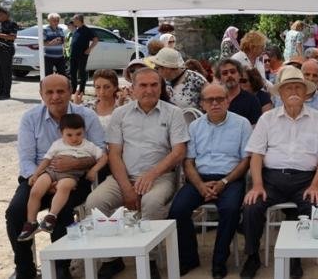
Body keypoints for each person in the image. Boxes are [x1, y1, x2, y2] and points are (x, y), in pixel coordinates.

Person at [85, 67, 189, 279]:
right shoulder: (120, 114)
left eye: (154, 85)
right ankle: (111, 259)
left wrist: (151, 175)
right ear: (132, 88)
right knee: (95, 202)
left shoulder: (173, 113)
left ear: (161, 87)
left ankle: (149, 259)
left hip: (160, 177)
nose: (149, 90)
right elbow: (114, 154)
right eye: (143, 85)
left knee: (151, 203)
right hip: (124, 176)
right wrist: (126, 188)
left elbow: (179, 151)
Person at [6, 74, 105, 279]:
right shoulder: (30, 118)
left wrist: (76, 164)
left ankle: (61, 268)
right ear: (41, 94)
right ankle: (25, 269)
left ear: (70, 92)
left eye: (60, 91)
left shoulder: (87, 116)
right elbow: (26, 159)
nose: (55, 97)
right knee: (15, 212)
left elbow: (101, 152)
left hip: (75, 179)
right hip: (39, 177)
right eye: (49, 92)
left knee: (63, 211)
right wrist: (44, 178)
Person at [241, 66, 318, 279]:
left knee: (316, 206)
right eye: (288, 88)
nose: (293, 91)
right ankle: (252, 256)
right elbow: (256, 155)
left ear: (305, 92)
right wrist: (257, 185)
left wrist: (316, 185)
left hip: (305, 180)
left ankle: (295, 257)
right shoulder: (267, 119)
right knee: (251, 206)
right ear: (280, 94)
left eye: (298, 88)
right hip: (271, 180)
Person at [168, 84, 251, 278]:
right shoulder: (195, 126)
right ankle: (189, 258)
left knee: (230, 210)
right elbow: (188, 162)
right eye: (209, 100)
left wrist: (224, 182)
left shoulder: (242, 124)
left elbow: (246, 161)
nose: (215, 103)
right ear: (202, 104)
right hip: (200, 178)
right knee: (177, 210)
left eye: (220, 99)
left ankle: (219, 261)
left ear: (227, 101)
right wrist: (200, 185)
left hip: (230, 178)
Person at [18, 113, 107, 241]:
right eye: (69, 135)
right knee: (36, 190)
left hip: (71, 174)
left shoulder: (88, 145)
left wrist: (94, 170)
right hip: (51, 171)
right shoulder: (58, 144)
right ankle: (31, 222)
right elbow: (46, 160)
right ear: (61, 133)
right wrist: (36, 174)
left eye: (78, 134)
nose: (74, 138)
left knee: (64, 187)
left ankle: (51, 216)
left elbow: (103, 157)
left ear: (84, 131)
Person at [272, 59, 318, 140]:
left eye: (315, 75)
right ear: (300, 75)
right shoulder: (281, 99)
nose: (311, 78)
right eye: (307, 74)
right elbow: (274, 125)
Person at [216, 58, 262, 126]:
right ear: (219, 78)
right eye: (225, 73)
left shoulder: (252, 101)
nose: (229, 75)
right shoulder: (215, 101)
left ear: (240, 75)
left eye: (233, 72)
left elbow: (255, 127)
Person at [0, 6, 20, 99]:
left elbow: (12, 37)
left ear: (6, 14)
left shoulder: (12, 24)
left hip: (6, 51)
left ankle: (6, 93)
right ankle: (0, 91)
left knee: (6, 73)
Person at [67, 14, 98, 94]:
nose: (73, 21)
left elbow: (95, 40)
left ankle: (81, 90)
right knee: (72, 72)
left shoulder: (87, 30)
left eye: (74, 19)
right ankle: (73, 89)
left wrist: (89, 49)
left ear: (78, 20)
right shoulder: (76, 29)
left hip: (82, 55)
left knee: (81, 72)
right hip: (73, 55)